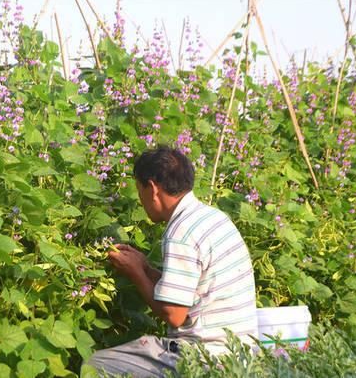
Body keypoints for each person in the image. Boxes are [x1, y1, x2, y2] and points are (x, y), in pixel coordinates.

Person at [83, 145, 258, 377]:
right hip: (240, 354)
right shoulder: (212, 217)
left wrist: (136, 274)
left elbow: (174, 315)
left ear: (153, 188)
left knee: (95, 365)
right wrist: (146, 267)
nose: (140, 199)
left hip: (206, 359)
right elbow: (190, 292)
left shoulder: (181, 233)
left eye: (139, 189)